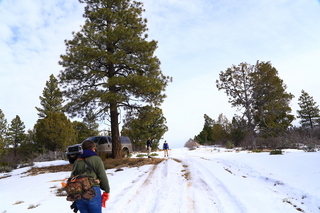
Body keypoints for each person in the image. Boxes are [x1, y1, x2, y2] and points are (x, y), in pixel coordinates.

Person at [70, 140, 110, 213]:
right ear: (92, 149)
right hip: (92, 191)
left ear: (83, 149)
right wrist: (107, 190)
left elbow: (72, 178)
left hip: (79, 194)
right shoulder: (96, 159)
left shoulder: (77, 161)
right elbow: (102, 175)